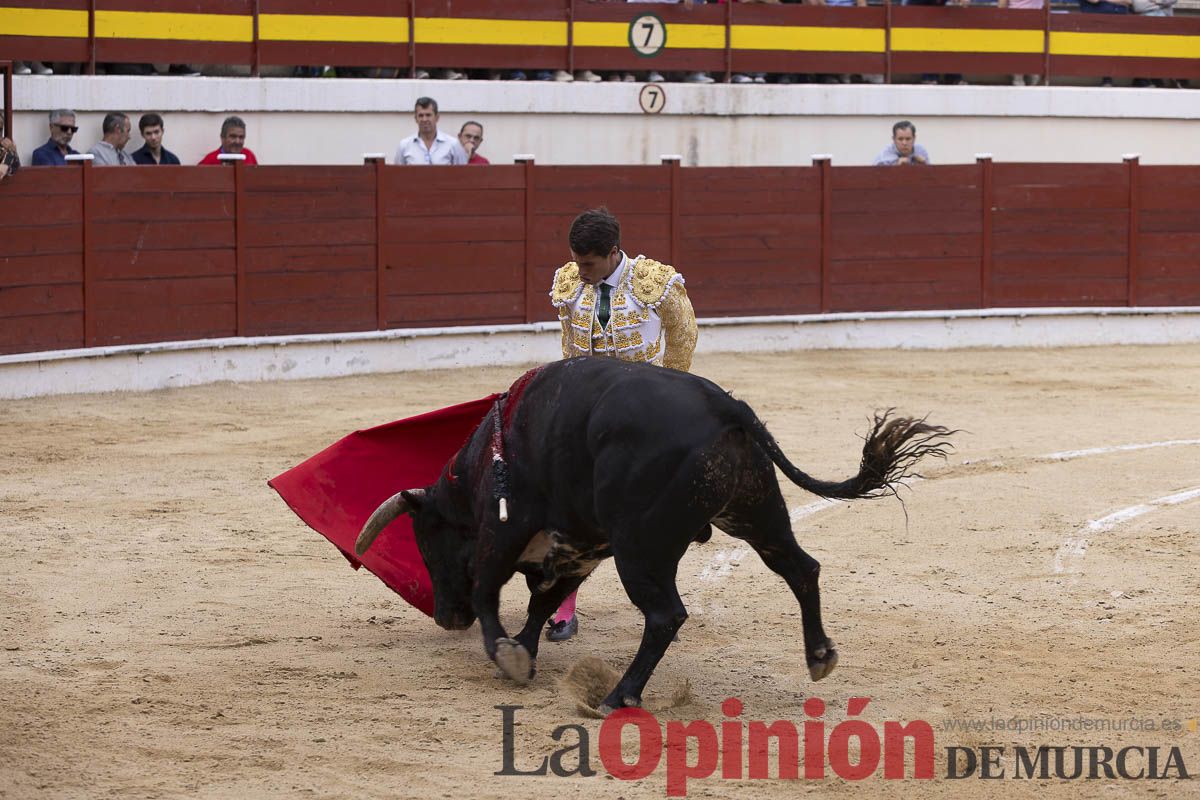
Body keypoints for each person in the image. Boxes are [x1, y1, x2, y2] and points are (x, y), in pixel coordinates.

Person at [545, 207, 699, 641]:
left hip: (643, 411)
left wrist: (670, 396)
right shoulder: (569, 282)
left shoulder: (655, 282)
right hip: (587, 412)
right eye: (576, 262)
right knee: (566, 508)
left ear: (613, 253)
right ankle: (563, 604)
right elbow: (569, 347)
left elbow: (683, 334)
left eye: (588, 264)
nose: (580, 272)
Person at [394, 97, 468, 165]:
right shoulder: (404, 145)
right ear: (415, 119)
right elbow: (397, 175)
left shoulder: (453, 144)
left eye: (428, 115)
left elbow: (463, 174)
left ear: (437, 117)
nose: (424, 119)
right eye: (420, 115)